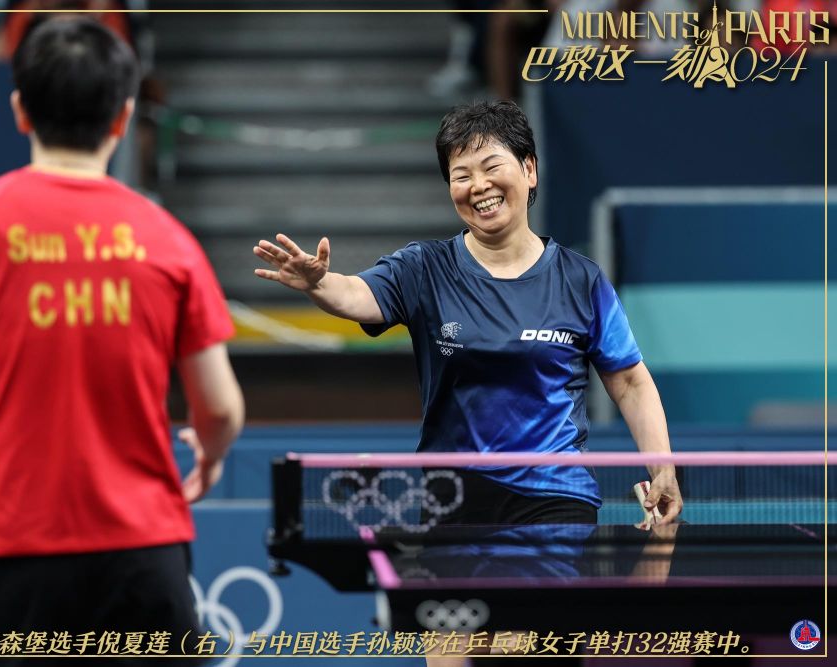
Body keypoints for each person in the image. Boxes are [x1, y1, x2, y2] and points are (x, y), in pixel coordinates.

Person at [0, 17, 243, 664]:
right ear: (124, 117)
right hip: (141, 554)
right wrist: (209, 457)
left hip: (12, 552)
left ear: (20, 111)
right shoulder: (166, 236)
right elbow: (221, 406)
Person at [253, 100, 682, 528]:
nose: (478, 186)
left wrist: (662, 468)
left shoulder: (580, 280)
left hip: (556, 495)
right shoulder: (424, 268)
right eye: (461, 176)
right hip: (452, 499)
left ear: (529, 169)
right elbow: (355, 294)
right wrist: (319, 283)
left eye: (492, 167)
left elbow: (630, 382)